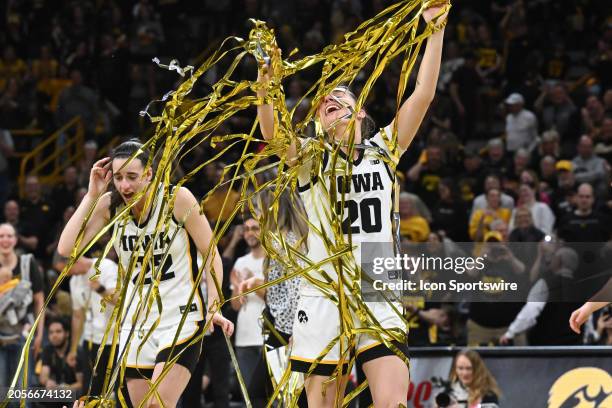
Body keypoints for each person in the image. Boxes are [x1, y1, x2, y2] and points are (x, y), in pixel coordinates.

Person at [256, 4, 448, 406]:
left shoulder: (384, 149)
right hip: (324, 291)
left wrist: (435, 29)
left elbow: (425, 93)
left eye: (339, 97)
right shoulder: (310, 158)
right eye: (323, 101)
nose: (329, 100)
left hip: (376, 286)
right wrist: (266, 80)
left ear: (359, 112)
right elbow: (273, 132)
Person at [56, 140, 234, 407]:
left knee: (156, 404)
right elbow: (66, 248)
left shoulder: (177, 198)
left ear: (149, 174)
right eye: (118, 178)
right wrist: (92, 196)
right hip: (136, 321)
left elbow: (211, 254)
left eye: (131, 177)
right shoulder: (111, 205)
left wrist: (213, 305)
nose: (124, 186)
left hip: (181, 315)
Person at [240, 189, 308, 407]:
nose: (256, 215)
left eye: (258, 209)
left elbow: (296, 289)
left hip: (286, 332)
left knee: (264, 393)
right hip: (286, 329)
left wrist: (294, 332)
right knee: (292, 396)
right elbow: (283, 287)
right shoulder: (293, 239)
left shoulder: (282, 242)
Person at [66, 256, 118, 397]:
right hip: (92, 340)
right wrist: (73, 349)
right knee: (91, 392)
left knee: (119, 390)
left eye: (68, 269)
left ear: (75, 260)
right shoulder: (74, 281)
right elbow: (77, 316)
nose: (67, 273)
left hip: (117, 340)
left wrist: (100, 289)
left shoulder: (107, 266)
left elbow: (119, 299)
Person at [39, 318, 84, 407]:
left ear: (66, 334)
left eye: (58, 331)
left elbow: (81, 383)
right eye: (51, 332)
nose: (54, 335)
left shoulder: (75, 351)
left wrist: (66, 389)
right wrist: (47, 381)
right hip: (56, 392)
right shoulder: (47, 349)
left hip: (73, 391)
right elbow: (43, 376)